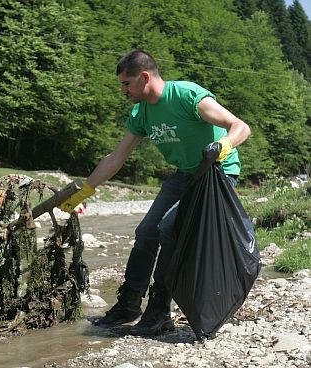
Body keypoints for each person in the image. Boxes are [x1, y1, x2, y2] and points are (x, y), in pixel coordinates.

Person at [58, 50, 251, 337]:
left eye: (126, 84)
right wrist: (86, 189)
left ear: (145, 77)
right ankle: (129, 304)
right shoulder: (142, 112)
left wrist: (222, 146)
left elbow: (240, 127)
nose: (123, 90)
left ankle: (159, 311)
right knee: (146, 230)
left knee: (169, 228)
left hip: (216, 175)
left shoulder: (186, 95)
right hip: (184, 175)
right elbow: (116, 158)